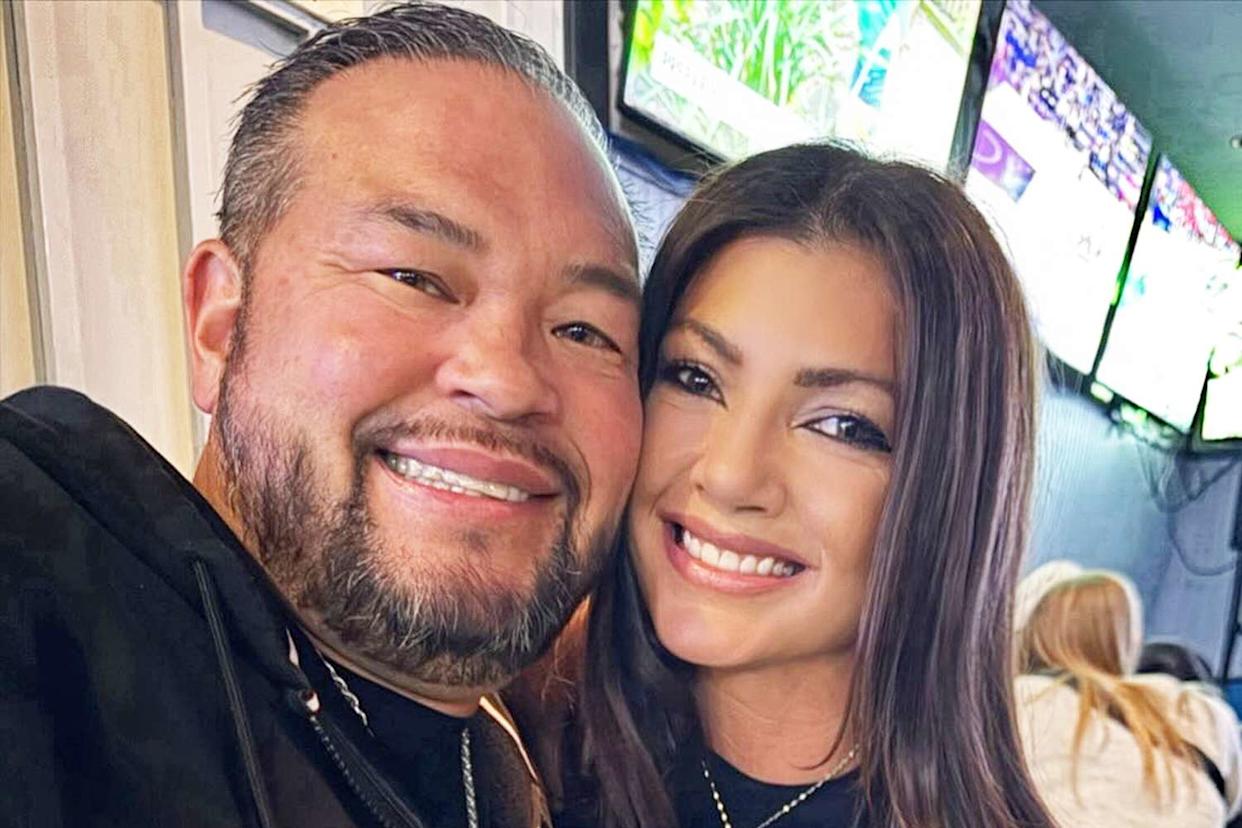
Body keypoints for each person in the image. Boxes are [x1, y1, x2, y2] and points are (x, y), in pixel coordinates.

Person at [0, 3, 642, 827]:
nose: (509, 379)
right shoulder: (46, 580)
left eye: (584, 330)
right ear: (220, 321)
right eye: (414, 277)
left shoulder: (574, 762)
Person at [533, 142, 1055, 827]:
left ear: (952, 493)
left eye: (841, 425)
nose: (729, 475)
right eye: (695, 378)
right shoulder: (519, 743)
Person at [1014, 568, 1242, 826]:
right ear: (1128, 639)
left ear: (1035, 635)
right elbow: (1234, 798)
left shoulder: (1017, 703)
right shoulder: (1194, 708)